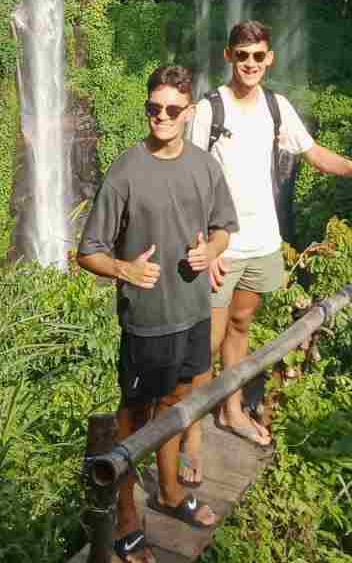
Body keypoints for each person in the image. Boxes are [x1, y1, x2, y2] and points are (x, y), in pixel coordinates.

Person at [181, 19, 352, 468]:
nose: (250, 63)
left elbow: (314, 154)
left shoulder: (278, 108)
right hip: (222, 245)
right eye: (242, 55)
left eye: (258, 56)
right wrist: (204, 244)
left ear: (269, 59)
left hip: (262, 241)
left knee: (240, 326)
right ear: (228, 56)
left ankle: (231, 410)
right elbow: (189, 178)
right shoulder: (209, 109)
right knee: (206, 343)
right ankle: (188, 438)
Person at [77, 65, 239, 563]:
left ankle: (169, 492)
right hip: (146, 321)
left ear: (189, 113)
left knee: (175, 403)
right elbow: (88, 252)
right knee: (133, 420)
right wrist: (123, 269)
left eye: (172, 110)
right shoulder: (127, 169)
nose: (161, 117)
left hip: (192, 312)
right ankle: (127, 517)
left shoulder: (204, 167)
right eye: (154, 108)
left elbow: (222, 229)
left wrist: (210, 251)